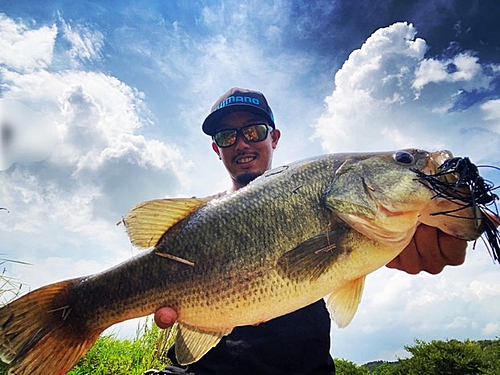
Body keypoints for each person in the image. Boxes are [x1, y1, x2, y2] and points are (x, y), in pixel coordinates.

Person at [145, 88, 468, 375]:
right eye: (227, 136)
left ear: (274, 138)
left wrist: (440, 224)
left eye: (254, 131)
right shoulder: (196, 224)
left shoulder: (339, 206)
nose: (242, 143)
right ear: (216, 149)